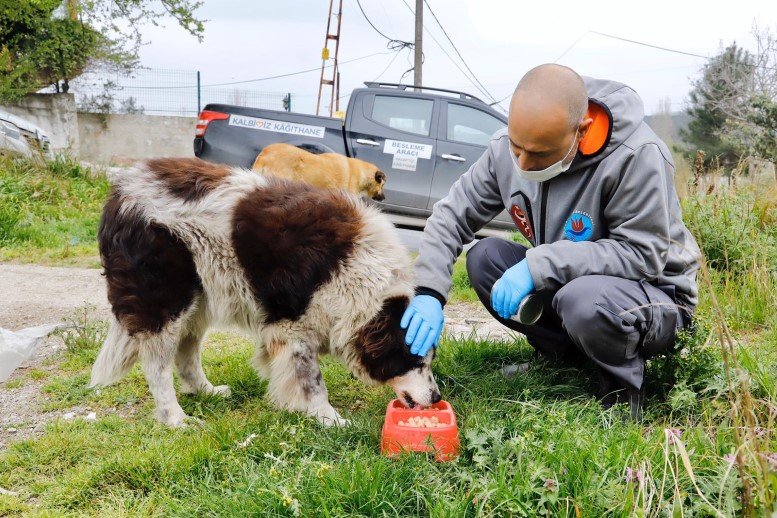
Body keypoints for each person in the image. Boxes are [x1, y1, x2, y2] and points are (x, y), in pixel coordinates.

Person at [400, 64, 701, 419]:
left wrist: (537, 265)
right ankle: (562, 361)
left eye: (540, 154)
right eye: (516, 147)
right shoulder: (507, 150)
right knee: (485, 259)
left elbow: (642, 254)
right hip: (575, 287)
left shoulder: (638, 156)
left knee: (584, 299)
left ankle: (621, 395)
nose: (523, 164)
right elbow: (450, 216)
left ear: (581, 131)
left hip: (655, 299)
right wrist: (429, 292)